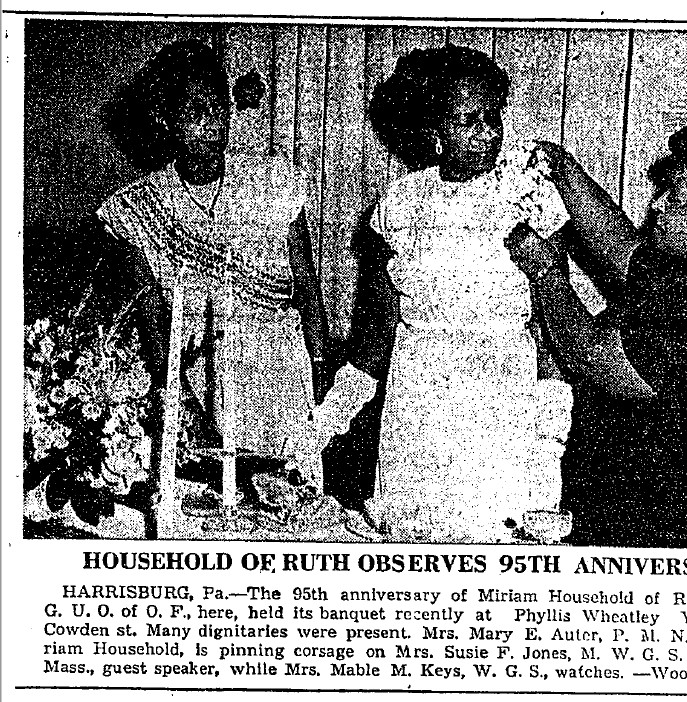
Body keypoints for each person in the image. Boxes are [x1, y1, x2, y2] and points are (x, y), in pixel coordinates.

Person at [300, 45, 573, 542]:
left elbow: (555, 335)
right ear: (433, 133)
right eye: (471, 121)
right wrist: (320, 425)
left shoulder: (528, 196)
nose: (489, 134)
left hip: (500, 407)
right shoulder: (401, 206)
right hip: (419, 411)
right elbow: (374, 342)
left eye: (495, 117)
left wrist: (546, 455)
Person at [505, 121, 687, 549]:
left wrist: (547, 272)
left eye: (674, 194)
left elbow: (593, 356)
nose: (657, 203)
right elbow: (622, 248)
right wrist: (563, 171)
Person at [97, 40, 327, 519]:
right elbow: (152, 315)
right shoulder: (140, 205)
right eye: (195, 112)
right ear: (165, 121)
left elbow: (307, 283)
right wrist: (177, 400)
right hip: (197, 382)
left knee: (288, 508)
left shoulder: (273, 180)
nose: (212, 123)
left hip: (277, 369)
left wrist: (323, 364)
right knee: (206, 509)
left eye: (219, 107)